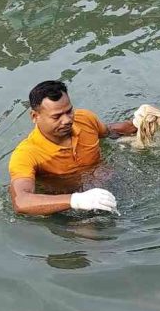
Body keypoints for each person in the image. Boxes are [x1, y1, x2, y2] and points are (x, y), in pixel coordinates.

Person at [8, 80, 137, 215]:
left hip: (111, 182)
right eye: (56, 116)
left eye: (69, 111)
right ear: (35, 116)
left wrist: (138, 123)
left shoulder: (86, 119)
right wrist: (76, 200)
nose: (67, 120)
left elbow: (110, 131)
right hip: (72, 209)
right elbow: (21, 201)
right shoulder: (26, 154)